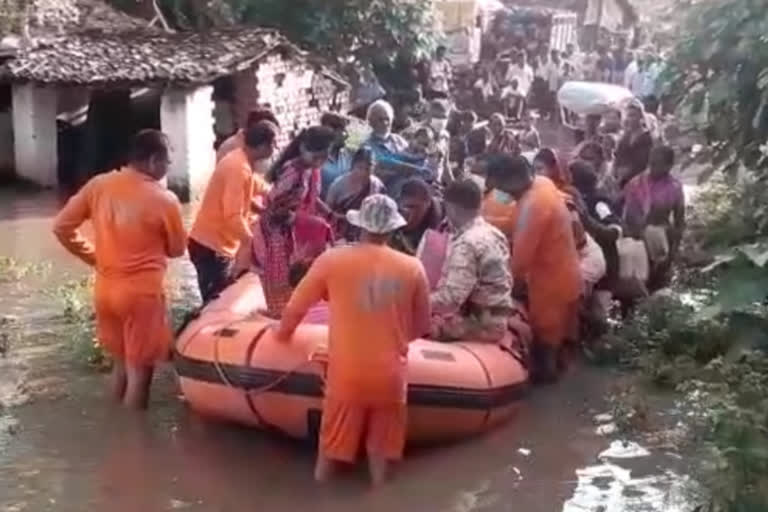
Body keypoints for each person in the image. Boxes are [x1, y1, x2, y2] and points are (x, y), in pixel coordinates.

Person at [276, 194, 431, 486]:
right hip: (390, 377)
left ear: (360, 225)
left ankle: (322, 501)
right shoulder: (413, 268)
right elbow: (421, 327)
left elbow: (296, 307)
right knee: (382, 457)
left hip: (346, 374)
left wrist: (281, 334)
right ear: (392, 230)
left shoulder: (332, 260)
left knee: (329, 455)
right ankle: (379, 499)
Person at [52, 130, 186, 409]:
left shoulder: (99, 185)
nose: (167, 169)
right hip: (141, 297)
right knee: (141, 374)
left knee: (122, 366)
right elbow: (177, 250)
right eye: (167, 163)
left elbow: (61, 227)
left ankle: (113, 432)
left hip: (105, 290)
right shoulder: (165, 200)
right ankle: (132, 444)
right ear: (153, 161)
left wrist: (95, 258)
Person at [485, 154, 582, 382]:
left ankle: (547, 405)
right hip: (565, 275)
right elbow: (512, 222)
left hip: (550, 286)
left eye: (500, 185)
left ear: (511, 181)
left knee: (546, 347)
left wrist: (492, 290)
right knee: (557, 345)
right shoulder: (541, 183)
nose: (499, 191)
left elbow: (518, 264)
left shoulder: (534, 207)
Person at [189, 121, 278, 303]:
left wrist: (264, 207)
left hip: (214, 243)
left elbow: (249, 192)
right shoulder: (238, 169)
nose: (273, 152)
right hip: (212, 246)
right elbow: (233, 216)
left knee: (218, 296)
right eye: (273, 146)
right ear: (263, 146)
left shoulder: (241, 160)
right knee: (215, 301)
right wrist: (250, 243)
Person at [260, 126, 336, 314]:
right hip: (279, 235)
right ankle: (281, 322)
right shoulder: (293, 172)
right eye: (316, 157)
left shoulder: (312, 170)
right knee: (283, 289)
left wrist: (331, 215)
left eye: (324, 157)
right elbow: (275, 210)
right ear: (303, 149)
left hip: (298, 232)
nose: (320, 162)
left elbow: (312, 198)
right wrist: (309, 223)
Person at [431, 180, 513, 342]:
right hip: (496, 318)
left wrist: (416, 301)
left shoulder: (467, 243)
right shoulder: (495, 234)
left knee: (424, 329)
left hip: (479, 324)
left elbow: (451, 298)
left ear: (451, 208)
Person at [622, 146, 685, 292]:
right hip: (638, 240)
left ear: (669, 166)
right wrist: (642, 234)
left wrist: (673, 251)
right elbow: (628, 215)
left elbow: (679, 220)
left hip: (663, 239)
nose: (653, 167)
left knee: (658, 286)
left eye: (658, 164)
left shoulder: (674, 187)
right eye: (651, 163)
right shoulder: (636, 183)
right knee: (636, 286)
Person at [570, 160, 622, 334]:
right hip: (582, 263)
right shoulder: (569, 200)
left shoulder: (598, 203)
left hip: (605, 268)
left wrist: (587, 220)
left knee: (597, 314)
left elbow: (614, 231)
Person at [326, 147, 386, 241]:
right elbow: (327, 208)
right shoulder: (339, 184)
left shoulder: (377, 186)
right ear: (353, 166)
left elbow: (379, 214)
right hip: (337, 230)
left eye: (368, 169)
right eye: (360, 168)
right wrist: (340, 217)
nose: (363, 173)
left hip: (364, 233)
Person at [390, 178, 445, 255]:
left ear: (428, 203)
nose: (411, 212)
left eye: (416, 207)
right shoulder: (392, 213)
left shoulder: (441, 223)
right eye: (407, 207)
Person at [615, 100, 653, 188]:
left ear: (640, 116)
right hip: (621, 179)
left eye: (633, 115)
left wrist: (627, 173)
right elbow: (618, 155)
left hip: (638, 180)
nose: (630, 119)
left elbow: (642, 161)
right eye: (628, 115)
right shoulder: (625, 136)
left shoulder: (646, 137)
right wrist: (616, 171)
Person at [320, 113, 352, 199]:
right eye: (343, 131)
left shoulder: (346, 155)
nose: (347, 136)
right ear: (332, 131)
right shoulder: (317, 160)